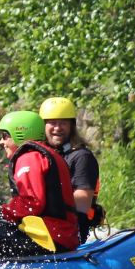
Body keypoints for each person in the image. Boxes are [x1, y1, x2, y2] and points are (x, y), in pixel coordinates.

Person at [0, 110, 79, 256]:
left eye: (5, 136)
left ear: (19, 134)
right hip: (59, 235)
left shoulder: (29, 157)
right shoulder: (44, 153)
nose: (1, 142)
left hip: (49, 237)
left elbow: (31, 202)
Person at [39, 96, 102, 244]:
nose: (57, 128)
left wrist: (41, 202)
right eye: (52, 123)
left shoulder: (81, 157)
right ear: (43, 126)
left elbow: (83, 202)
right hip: (45, 228)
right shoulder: (42, 156)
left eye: (63, 123)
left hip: (70, 232)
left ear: (72, 126)